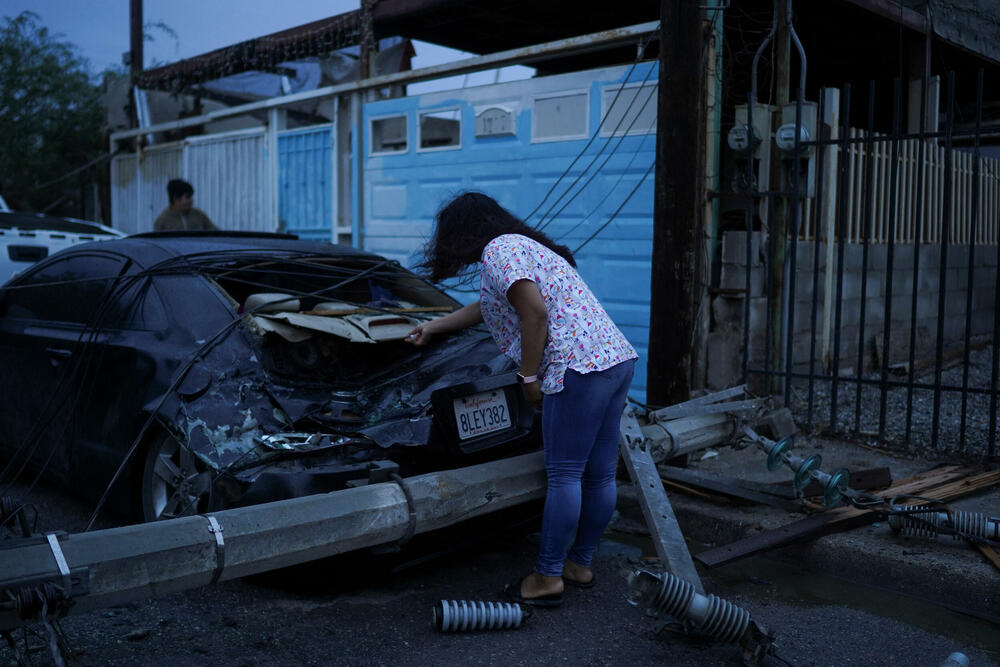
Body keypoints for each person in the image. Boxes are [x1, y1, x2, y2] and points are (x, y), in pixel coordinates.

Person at [407, 191, 637, 607]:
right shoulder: (523, 246)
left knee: (565, 476)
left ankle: (547, 577)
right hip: (615, 360)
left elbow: (534, 314)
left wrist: (528, 376)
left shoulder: (499, 250)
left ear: (462, 231)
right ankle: (579, 564)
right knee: (599, 475)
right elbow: (489, 307)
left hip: (577, 368)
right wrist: (435, 326)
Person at [153, 179, 218, 232]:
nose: (191, 200)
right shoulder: (162, 221)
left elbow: (215, 233)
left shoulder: (199, 215)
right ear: (176, 198)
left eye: (191, 197)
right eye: (187, 197)